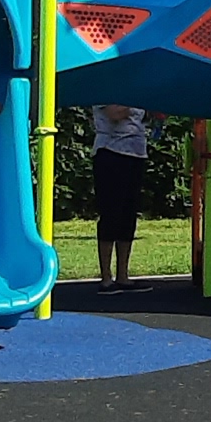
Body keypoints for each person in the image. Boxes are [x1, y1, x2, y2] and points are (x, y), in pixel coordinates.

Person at [89, 102, 152, 292]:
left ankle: (123, 276)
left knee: (128, 214)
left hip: (136, 153)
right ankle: (106, 278)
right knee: (111, 214)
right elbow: (114, 113)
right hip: (110, 153)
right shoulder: (108, 85)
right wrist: (137, 99)